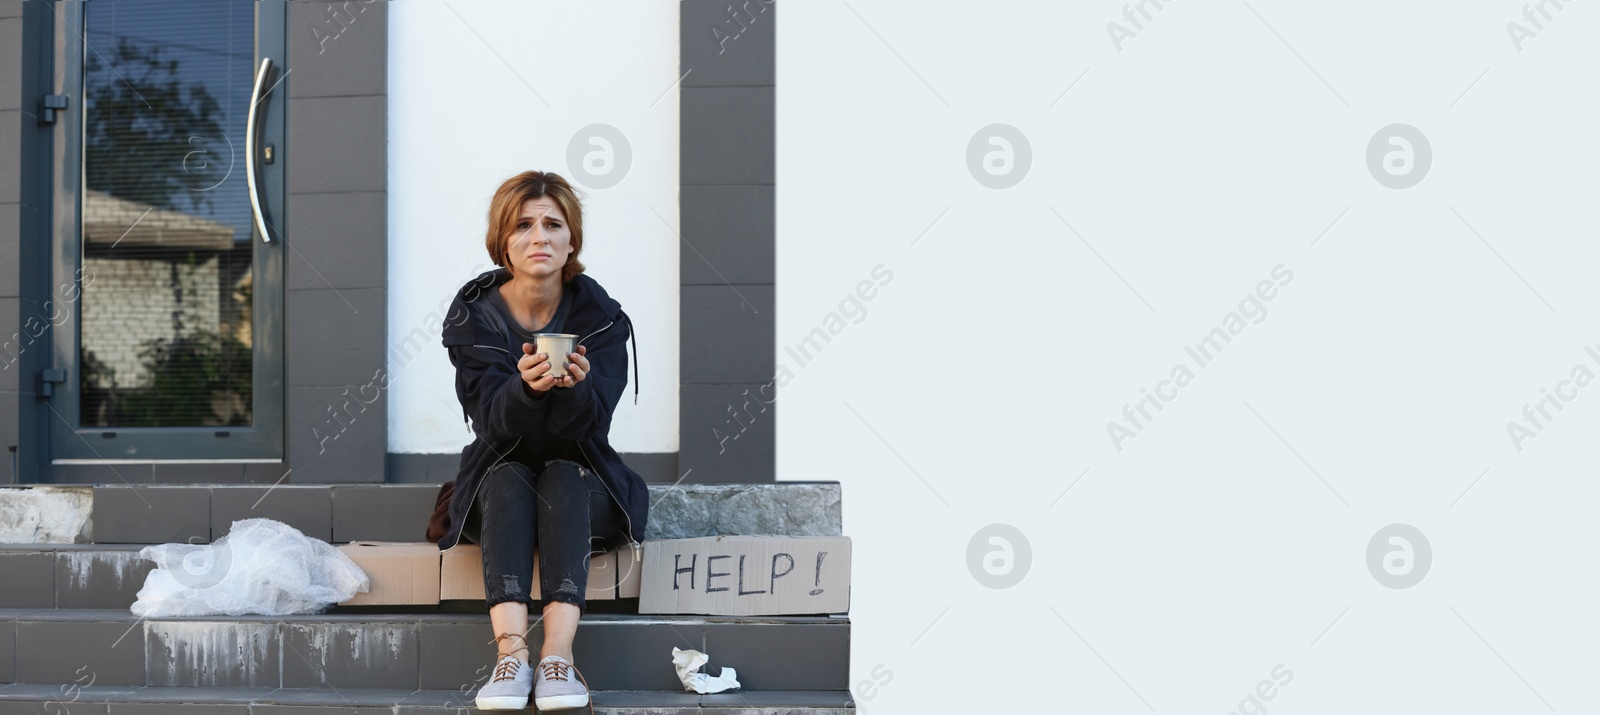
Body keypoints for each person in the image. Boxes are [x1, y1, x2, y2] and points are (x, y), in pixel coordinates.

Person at [436, 170, 648, 711]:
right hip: (500, 482)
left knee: (562, 473)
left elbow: (592, 426)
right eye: (524, 225)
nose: (540, 237)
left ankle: (558, 657)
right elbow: (490, 422)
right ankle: (511, 655)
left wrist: (574, 391)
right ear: (503, 241)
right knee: (507, 475)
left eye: (553, 224)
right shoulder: (475, 318)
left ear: (571, 239)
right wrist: (524, 390)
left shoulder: (602, 321)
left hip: (582, 483)